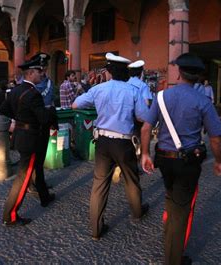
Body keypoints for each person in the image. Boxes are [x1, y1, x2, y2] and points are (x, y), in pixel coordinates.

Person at [140, 53, 221, 265]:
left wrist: (145, 154)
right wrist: (219, 161)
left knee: (172, 197)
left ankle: (170, 238)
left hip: (164, 159)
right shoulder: (203, 101)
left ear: (178, 73)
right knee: (181, 211)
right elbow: (215, 138)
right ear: (196, 77)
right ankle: (173, 259)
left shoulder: (161, 96)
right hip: (188, 163)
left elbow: (146, 128)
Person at [72, 53, 150, 241]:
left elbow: (75, 105)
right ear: (126, 73)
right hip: (124, 142)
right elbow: (143, 116)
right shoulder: (133, 91)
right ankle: (137, 212)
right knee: (131, 179)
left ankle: (96, 230)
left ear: (108, 72)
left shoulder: (99, 89)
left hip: (103, 142)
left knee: (99, 184)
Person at [0, 56, 57, 227]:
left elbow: (3, 109)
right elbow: (43, 118)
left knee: (37, 167)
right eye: (39, 71)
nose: (42, 74)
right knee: (23, 178)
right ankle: (10, 215)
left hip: (23, 136)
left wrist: (20, 119)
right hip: (31, 139)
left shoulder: (15, 90)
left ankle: (45, 197)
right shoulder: (33, 94)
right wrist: (52, 111)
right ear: (31, 73)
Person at [28, 52, 55, 195]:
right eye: (41, 67)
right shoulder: (29, 84)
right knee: (34, 157)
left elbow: (50, 103)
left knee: (41, 156)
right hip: (33, 126)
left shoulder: (49, 82)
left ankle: (40, 181)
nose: (43, 69)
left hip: (44, 124)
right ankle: (32, 184)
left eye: (44, 66)